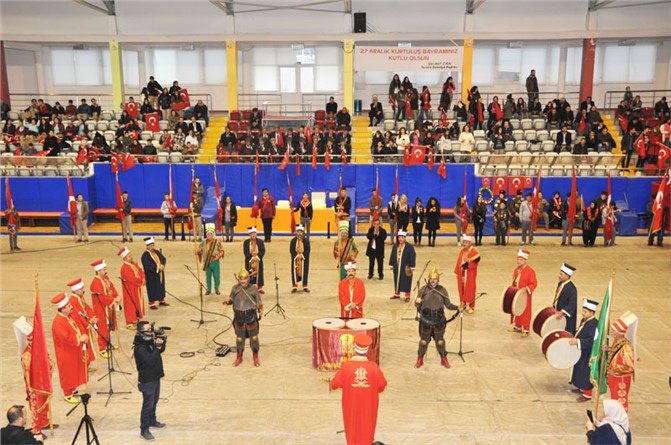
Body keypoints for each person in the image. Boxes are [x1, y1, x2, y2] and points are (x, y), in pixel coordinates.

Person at [330, 334, 387, 445]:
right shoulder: (374, 367)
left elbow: (335, 384)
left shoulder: (346, 366)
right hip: (368, 406)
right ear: (367, 350)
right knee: (367, 428)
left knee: (352, 428)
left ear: (354, 348)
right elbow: (382, 386)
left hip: (351, 405)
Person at [415, 266, 460, 369]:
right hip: (426, 320)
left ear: (438, 280)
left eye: (434, 279)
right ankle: (420, 359)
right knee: (423, 341)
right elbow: (417, 305)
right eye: (431, 279)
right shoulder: (423, 289)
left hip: (439, 321)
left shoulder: (442, 290)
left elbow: (448, 305)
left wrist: (458, 307)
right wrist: (416, 302)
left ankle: (444, 359)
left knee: (440, 342)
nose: (432, 281)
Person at [50, 292, 89, 403]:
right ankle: (67, 393)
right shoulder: (58, 322)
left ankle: (72, 389)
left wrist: (82, 335)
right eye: (68, 306)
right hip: (65, 352)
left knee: (74, 369)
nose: (71, 307)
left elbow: (78, 327)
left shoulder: (68, 317)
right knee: (68, 371)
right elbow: (65, 338)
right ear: (62, 309)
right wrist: (79, 338)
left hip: (73, 349)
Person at [133, 320, 167, 442]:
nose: (151, 332)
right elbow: (151, 360)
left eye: (151, 329)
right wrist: (157, 346)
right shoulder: (140, 348)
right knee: (148, 404)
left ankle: (152, 420)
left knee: (155, 400)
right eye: (148, 330)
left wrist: (162, 341)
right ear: (141, 332)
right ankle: (144, 429)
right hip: (147, 380)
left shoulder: (148, 340)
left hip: (155, 376)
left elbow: (160, 351)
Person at [224, 267, 263, 367]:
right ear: (238, 279)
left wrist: (260, 308)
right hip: (239, 317)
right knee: (239, 339)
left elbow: (258, 301)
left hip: (250, 316)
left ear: (248, 279)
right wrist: (227, 301)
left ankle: (255, 356)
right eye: (241, 279)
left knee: (254, 338)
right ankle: (239, 356)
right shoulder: (235, 288)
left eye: (245, 279)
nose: (243, 281)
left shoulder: (253, 289)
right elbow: (231, 300)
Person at [569, 299, 600, 402]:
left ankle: (587, 394)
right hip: (581, 351)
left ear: (592, 313)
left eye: (585, 312)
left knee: (585, 372)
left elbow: (592, 341)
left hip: (588, 353)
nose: (583, 313)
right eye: (582, 310)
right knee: (578, 369)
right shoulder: (585, 320)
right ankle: (580, 387)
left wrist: (577, 341)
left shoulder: (594, 324)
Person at [606, 311, 637, 412]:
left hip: (621, 379)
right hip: (614, 377)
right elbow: (616, 353)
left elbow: (629, 368)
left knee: (620, 400)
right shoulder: (618, 342)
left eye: (613, 330)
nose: (611, 332)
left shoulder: (626, 347)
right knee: (614, 398)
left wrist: (615, 371)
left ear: (620, 333)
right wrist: (609, 349)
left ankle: (621, 419)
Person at [89, 259, 120, 357]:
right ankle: (102, 348)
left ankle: (108, 343)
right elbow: (102, 297)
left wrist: (117, 296)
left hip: (109, 307)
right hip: (101, 308)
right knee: (102, 327)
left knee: (109, 326)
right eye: (103, 269)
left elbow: (112, 288)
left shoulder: (106, 279)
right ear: (98, 271)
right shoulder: (95, 283)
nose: (105, 271)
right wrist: (113, 299)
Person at [67, 278, 97, 369]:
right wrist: (88, 322)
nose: (83, 291)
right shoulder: (73, 300)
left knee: (88, 346)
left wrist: (92, 316)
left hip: (85, 324)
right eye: (81, 289)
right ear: (76, 290)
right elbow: (77, 316)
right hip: (81, 327)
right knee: (83, 347)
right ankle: (83, 366)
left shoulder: (80, 298)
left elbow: (86, 308)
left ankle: (86, 365)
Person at [508, 249, 537, 337]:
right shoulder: (517, 270)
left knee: (525, 311)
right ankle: (518, 325)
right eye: (518, 259)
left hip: (525, 295)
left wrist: (527, 289)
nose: (518, 261)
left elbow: (534, 283)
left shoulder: (530, 271)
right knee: (516, 309)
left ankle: (526, 329)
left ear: (525, 260)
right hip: (516, 294)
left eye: (521, 260)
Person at [118, 246, 146, 330]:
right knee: (130, 304)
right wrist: (141, 282)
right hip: (130, 289)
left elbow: (140, 270)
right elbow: (131, 279)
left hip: (137, 288)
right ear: (125, 258)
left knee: (137, 303)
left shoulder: (133, 264)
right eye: (129, 256)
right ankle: (129, 322)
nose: (131, 257)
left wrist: (143, 278)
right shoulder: (124, 268)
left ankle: (137, 317)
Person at [454, 234, 480, 313]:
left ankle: (472, 306)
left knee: (470, 290)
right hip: (462, 274)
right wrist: (458, 273)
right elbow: (459, 261)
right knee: (461, 289)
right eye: (464, 242)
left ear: (470, 243)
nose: (464, 244)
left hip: (469, 274)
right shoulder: (462, 251)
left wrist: (468, 260)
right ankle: (463, 303)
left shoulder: (474, 252)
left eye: (466, 242)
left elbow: (475, 263)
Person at [141, 237, 169, 310]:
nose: (152, 247)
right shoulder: (145, 256)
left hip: (159, 273)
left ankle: (161, 300)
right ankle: (151, 303)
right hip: (151, 275)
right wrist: (157, 267)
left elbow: (163, 259)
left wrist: (162, 265)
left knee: (160, 286)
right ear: (147, 246)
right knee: (152, 288)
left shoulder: (157, 252)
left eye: (153, 246)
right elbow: (147, 265)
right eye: (150, 246)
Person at [389, 230, 416, 302]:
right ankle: (397, 294)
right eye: (399, 237)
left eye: (402, 237)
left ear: (405, 238)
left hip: (405, 267)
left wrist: (412, 266)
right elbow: (392, 255)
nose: (400, 239)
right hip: (397, 266)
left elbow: (412, 256)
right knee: (397, 280)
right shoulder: (395, 246)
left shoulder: (409, 247)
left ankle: (407, 295)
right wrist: (391, 264)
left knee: (406, 280)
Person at [198, 224, 224, 296]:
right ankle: (208, 289)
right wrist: (198, 251)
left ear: (213, 235)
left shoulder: (217, 242)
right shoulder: (203, 243)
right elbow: (199, 251)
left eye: (211, 234)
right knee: (208, 277)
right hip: (207, 262)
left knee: (216, 276)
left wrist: (218, 256)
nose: (209, 236)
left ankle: (217, 289)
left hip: (215, 262)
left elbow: (222, 250)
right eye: (208, 234)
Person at [552, 263, 578, 334]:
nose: (559, 276)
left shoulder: (572, 289)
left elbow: (572, 305)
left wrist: (562, 312)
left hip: (567, 319)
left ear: (567, 276)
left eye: (561, 274)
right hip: (558, 315)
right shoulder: (560, 284)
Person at [243, 227, 266, 293]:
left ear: (256, 234)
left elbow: (263, 250)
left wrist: (257, 257)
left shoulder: (260, 242)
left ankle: (259, 288)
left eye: (254, 233)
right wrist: (252, 258)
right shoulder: (246, 242)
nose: (253, 235)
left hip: (258, 261)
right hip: (249, 261)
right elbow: (245, 251)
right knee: (249, 273)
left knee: (259, 273)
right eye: (251, 234)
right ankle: (249, 287)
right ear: (249, 235)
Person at [289, 224, 310, 292]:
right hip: (295, 259)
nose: (299, 233)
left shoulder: (306, 241)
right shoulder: (293, 241)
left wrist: (302, 255)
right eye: (298, 232)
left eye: (301, 232)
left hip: (304, 259)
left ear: (303, 232)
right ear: (296, 232)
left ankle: (305, 285)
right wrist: (296, 255)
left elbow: (308, 249)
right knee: (294, 272)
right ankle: (294, 286)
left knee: (305, 271)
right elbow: (291, 250)